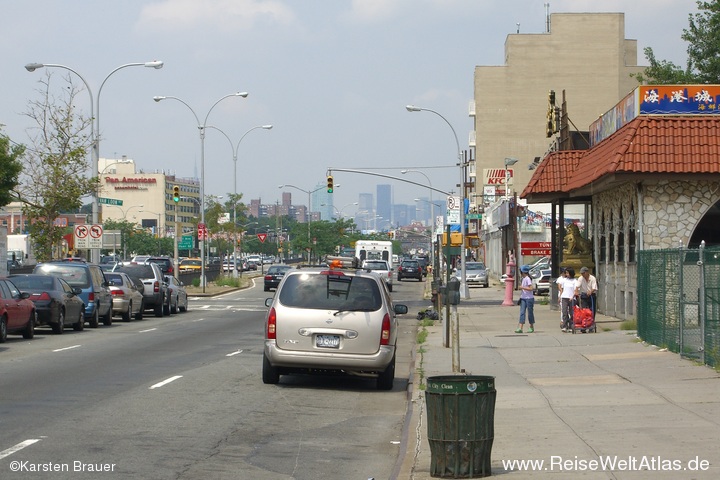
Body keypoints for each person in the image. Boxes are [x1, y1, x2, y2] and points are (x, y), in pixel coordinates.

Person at [515, 265, 535, 333]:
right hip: (523, 298)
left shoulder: (527, 278)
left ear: (523, 272)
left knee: (530, 313)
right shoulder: (523, 279)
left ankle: (531, 326)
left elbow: (531, 288)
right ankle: (520, 327)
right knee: (522, 312)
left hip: (529, 298)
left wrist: (522, 287)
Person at [558, 267, 577, 332]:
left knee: (571, 312)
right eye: (566, 273)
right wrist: (560, 296)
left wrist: (572, 296)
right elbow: (562, 288)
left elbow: (575, 290)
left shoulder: (574, 281)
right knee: (564, 311)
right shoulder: (564, 280)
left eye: (567, 273)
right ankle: (564, 326)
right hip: (564, 297)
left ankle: (571, 325)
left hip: (571, 298)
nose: (566, 274)